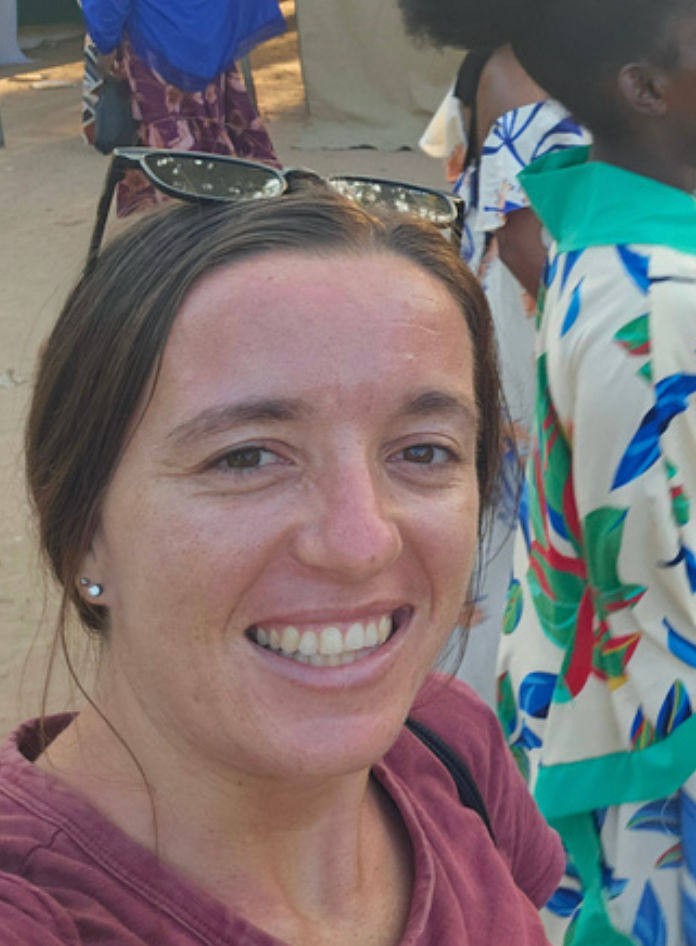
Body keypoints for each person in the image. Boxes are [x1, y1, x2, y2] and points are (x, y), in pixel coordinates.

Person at [0, 183, 564, 944]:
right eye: (246, 458)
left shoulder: (448, 738)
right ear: (84, 530)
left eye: (424, 452)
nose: (362, 544)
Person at [399, 0, 696, 943]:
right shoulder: (652, 301)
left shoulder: (636, 248)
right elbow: (661, 578)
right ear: (644, 88)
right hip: (666, 756)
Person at [416, 40, 588, 705]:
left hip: (551, 308)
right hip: (541, 314)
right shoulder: (526, 71)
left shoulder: (520, 60)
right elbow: (522, 242)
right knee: (530, 515)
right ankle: (493, 706)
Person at [78, 0, 284, 214]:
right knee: (210, 120)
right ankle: (226, 203)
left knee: (168, 136)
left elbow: (108, 5)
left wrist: (105, 45)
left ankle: (186, 215)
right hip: (209, 35)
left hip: (152, 44)